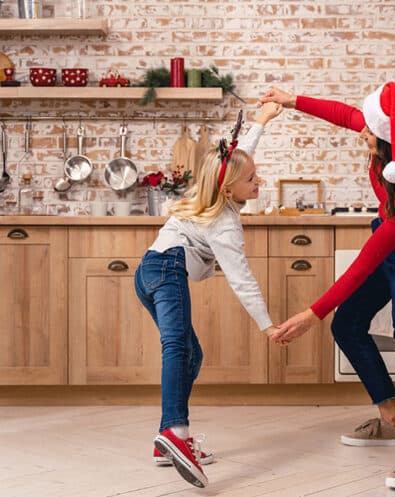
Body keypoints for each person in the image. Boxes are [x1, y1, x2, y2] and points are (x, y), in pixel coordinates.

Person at [261, 84, 395, 491]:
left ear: (390, 143)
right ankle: (392, 417)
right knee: (348, 326)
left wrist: (313, 312)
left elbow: (364, 264)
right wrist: (293, 100)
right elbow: (346, 115)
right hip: (394, 239)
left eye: (368, 133)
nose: (360, 133)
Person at [134, 103, 283, 488]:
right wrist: (267, 326)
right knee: (178, 348)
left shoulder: (212, 188)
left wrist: (261, 123)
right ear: (229, 188)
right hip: (167, 270)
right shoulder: (225, 223)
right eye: (252, 180)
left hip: (148, 271)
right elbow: (242, 279)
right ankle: (175, 434)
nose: (258, 182)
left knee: (190, 352)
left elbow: (236, 158)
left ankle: (165, 440)